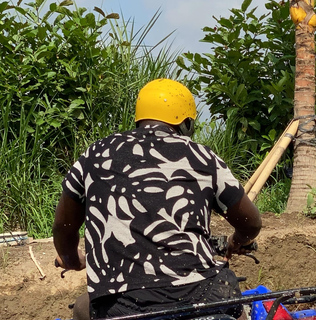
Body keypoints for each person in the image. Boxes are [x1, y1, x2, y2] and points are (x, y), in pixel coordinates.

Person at [52, 78, 262, 320]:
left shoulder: (95, 155)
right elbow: (251, 222)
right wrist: (237, 240)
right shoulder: (202, 157)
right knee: (232, 297)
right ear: (186, 123)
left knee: (82, 307)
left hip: (121, 307)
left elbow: (63, 226)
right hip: (199, 295)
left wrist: (71, 259)